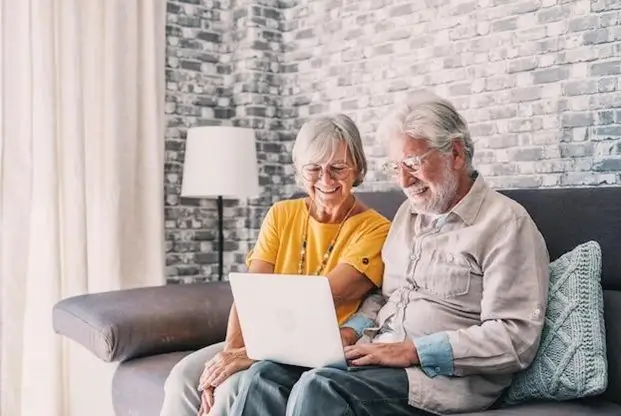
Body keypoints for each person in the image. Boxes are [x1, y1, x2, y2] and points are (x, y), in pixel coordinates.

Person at [226, 92, 551, 416]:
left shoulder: (506, 224)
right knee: (264, 376)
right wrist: (350, 332)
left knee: (322, 387)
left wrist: (412, 351)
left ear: (455, 153)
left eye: (412, 164)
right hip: (380, 354)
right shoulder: (408, 217)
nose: (404, 181)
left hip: (441, 378)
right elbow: (386, 297)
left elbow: (514, 339)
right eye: (396, 167)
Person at [159, 113, 391, 416]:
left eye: (338, 167)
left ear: (358, 168)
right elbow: (250, 294)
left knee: (230, 388)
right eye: (313, 169)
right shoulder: (281, 214)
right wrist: (229, 355)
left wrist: (250, 355)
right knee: (182, 377)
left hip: (316, 349)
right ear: (299, 170)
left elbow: (322, 298)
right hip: (261, 342)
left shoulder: (376, 229)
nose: (326, 180)